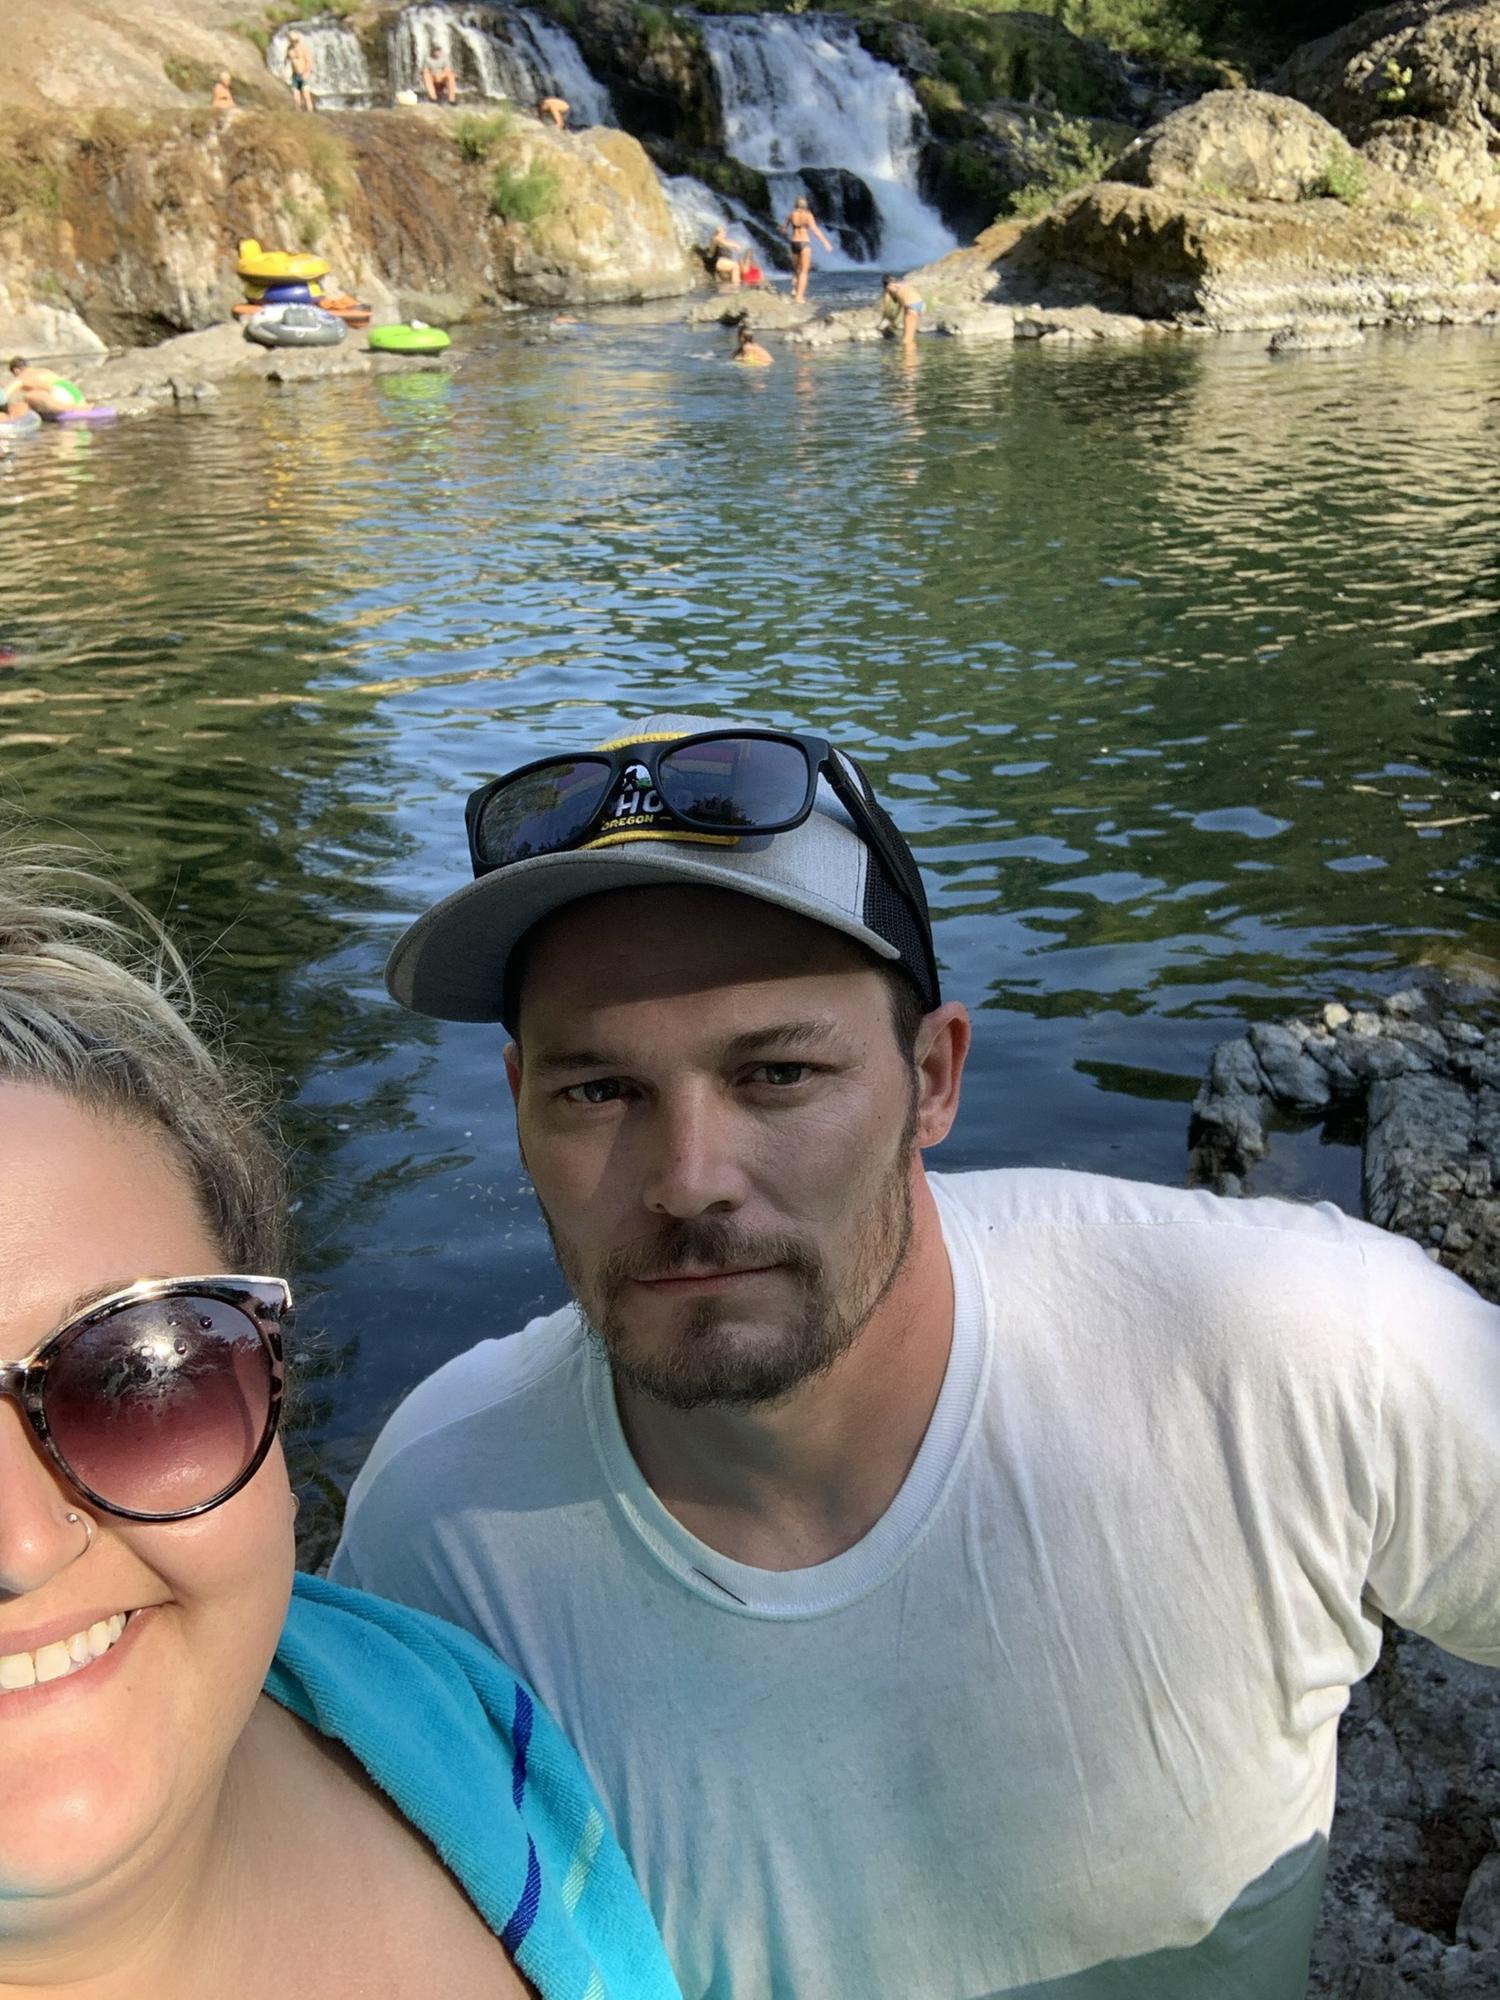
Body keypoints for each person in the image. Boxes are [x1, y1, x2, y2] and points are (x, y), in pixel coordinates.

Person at [334, 706, 1500, 1998]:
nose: (687, 1178)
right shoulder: (437, 1527)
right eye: (599, 1091)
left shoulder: (1289, 1351)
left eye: (777, 1073)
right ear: (519, 1106)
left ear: (933, 1078)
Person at [0, 843, 682, 2000]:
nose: (19, 1542)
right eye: (599, 1087)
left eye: (141, 1373)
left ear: (272, 1380)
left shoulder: (431, 1699)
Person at [781, 191, 831, 304]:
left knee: (796, 270)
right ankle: (799, 297)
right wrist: (825, 242)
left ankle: (794, 290)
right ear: (805, 205)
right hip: (804, 242)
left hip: (794, 242)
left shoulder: (791, 214)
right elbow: (815, 230)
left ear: (796, 204)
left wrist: (782, 230)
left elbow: (784, 229)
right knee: (804, 271)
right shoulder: (808, 215)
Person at [7, 357, 89, 419]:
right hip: (76, 395)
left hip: (62, 397)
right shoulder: (43, 371)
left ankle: (73, 408)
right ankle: (80, 406)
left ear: (16, 370)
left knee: (28, 397)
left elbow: (6, 394)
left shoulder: (22, 377)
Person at [879, 272, 924, 347]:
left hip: (911, 307)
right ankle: (913, 353)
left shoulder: (888, 288)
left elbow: (887, 308)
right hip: (920, 304)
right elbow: (901, 305)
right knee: (910, 338)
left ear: (885, 284)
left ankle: (908, 354)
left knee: (906, 341)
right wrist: (895, 318)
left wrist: (883, 320)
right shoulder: (902, 283)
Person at [285, 30, 315, 112]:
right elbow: (287, 60)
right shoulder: (289, 49)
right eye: (292, 40)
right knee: (296, 96)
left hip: (303, 74)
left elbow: (309, 61)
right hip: (295, 75)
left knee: (306, 96)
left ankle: (310, 113)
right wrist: (285, 71)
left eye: (296, 40)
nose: (294, 42)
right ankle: (298, 113)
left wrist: (307, 73)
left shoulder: (303, 48)